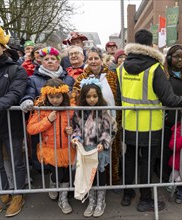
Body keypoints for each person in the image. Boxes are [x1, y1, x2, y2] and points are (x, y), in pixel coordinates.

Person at [117, 28, 182, 212]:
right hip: (150, 125)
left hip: (129, 123)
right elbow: (170, 99)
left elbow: (119, 97)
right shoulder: (154, 67)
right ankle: (145, 199)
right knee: (146, 163)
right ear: (149, 45)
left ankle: (127, 194)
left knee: (130, 159)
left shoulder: (121, 67)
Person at [0, 23, 27, 217]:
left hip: (10, 124)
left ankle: (18, 194)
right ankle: (4, 193)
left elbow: (14, 94)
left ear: (3, 47)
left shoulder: (16, 70)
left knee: (16, 161)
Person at [72, 47, 121, 188]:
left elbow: (118, 96)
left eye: (96, 58)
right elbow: (75, 96)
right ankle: (94, 185)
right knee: (94, 154)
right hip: (89, 124)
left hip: (110, 120)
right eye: (90, 59)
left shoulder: (112, 76)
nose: (93, 61)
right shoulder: (82, 77)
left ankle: (113, 180)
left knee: (112, 150)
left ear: (101, 59)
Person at [20, 47, 74, 172]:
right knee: (47, 164)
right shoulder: (33, 79)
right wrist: (27, 100)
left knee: (64, 166)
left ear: (58, 61)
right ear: (41, 61)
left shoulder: (68, 79)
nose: (50, 61)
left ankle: (63, 185)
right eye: (46, 59)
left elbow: (73, 99)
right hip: (44, 126)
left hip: (64, 126)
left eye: (53, 59)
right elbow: (29, 92)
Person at [27, 78, 75, 214]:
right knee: (57, 173)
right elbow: (31, 128)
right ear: (46, 95)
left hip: (67, 148)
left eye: (58, 97)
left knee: (66, 174)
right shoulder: (42, 109)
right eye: (52, 97)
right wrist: (47, 120)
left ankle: (63, 199)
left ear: (64, 95)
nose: (55, 100)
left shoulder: (70, 109)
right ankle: (53, 182)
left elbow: (78, 124)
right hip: (51, 149)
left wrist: (72, 131)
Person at [72, 77, 117, 217]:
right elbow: (76, 127)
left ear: (99, 96)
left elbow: (110, 128)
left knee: (100, 175)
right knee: (88, 176)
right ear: (83, 97)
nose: (92, 99)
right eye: (88, 97)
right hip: (85, 149)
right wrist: (76, 138)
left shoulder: (104, 109)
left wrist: (104, 143)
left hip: (99, 149)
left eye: (95, 96)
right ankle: (91, 200)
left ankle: (100, 200)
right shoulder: (79, 111)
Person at [161, 44, 182, 182]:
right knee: (169, 150)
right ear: (169, 58)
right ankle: (165, 176)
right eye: (176, 57)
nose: (180, 60)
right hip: (170, 120)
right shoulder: (164, 75)